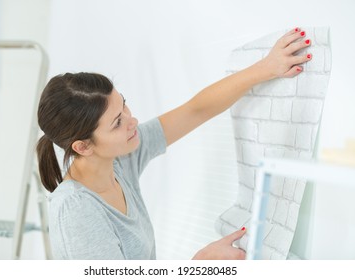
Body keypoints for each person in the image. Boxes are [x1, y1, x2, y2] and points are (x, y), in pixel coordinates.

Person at [36, 28, 311, 260]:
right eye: (117, 122)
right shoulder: (76, 211)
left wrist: (265, 68)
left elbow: (196, 110)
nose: (132, 121)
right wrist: (198, 263)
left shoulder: (119, 161)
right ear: (83, 147)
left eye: (125, 105)